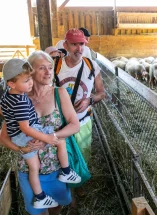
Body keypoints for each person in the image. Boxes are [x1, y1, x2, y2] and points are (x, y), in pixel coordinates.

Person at [0, 50, 80, 215]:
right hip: (29, 169)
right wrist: (21, 149)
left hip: (56, 167)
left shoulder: (59, 93)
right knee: (38, 211)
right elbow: (4, 137)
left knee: (56, 206)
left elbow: (75, 125)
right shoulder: (19, 98)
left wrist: (51, 138)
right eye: (42, 68)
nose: (48, 72)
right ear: (30, 70)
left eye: (50, 67)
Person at [55, 28, 105, 197]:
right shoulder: (55, 66)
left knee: (83, 154)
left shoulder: (91, 66)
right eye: (74, 44)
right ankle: (66, 189)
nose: (78, 48)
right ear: (65, 45)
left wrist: (89, 100)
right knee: (62, 156)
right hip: (60, 123)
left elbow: (101, 93)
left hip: (83, 121)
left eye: (81, 44)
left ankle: (79, 184)